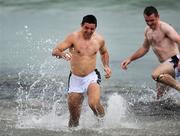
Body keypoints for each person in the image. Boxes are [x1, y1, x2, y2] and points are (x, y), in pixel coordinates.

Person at [52, 15, 112, 127]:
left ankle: (103, 124)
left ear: (95, 28)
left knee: (93, 103)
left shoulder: (99, 40)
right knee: (74, 118)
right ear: (81, 25)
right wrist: (62, 54)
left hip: (91, 76)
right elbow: (55, 51)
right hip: (75, 79)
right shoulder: (73, 37)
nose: (89, 31)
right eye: (86, 28)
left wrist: (107, 66)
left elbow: (104, 53)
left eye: (92, 29)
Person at [121, 6, 180, 99]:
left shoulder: (165, 27)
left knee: (155, 74)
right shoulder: (147, 31)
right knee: (160, 98)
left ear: (158, 17)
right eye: (147, 21)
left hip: (175, 60)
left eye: (152, 20)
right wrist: (130, 59)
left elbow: (179, 40)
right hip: (166, 65)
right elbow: (144, 48)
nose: (149, 23)